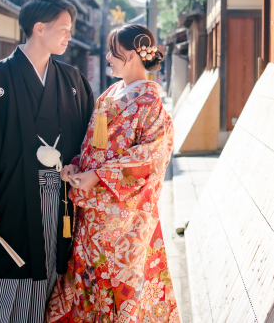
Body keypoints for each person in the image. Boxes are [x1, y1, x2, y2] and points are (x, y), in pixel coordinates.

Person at [0, 0, 95, 323]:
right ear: (39, 28)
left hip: (62, 193)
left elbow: (90, 137)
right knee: (14, 268)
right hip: (12, 194)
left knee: (57, 264)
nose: (69, 36)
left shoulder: (71, 80)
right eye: (64, 28)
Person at [46, 24, 179, 323]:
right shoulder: (111, 93)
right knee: (88, 277)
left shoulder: (150, 101)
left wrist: (99, 176)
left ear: (132, 55)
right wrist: (78, 165)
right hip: (93, 211)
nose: (107, 57)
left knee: (121, 281)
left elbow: (152, 157)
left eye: (113, 52)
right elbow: (96, 143)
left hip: (125, 215)